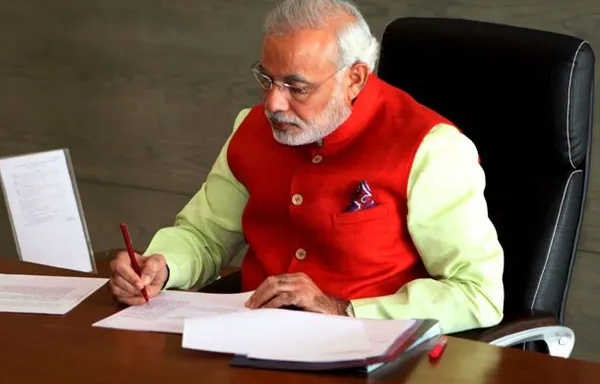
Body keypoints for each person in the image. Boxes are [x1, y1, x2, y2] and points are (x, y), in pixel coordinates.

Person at [108, 0, 504, 334]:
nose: (273, 104)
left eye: (297, 87)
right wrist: (161, 264)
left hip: (370, 356)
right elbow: (205, 235)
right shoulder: (252, 129)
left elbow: (477, 294)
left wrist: (343, 309)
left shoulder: (431, 148)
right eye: (266, 79)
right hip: (251, 341)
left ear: (354, 78)